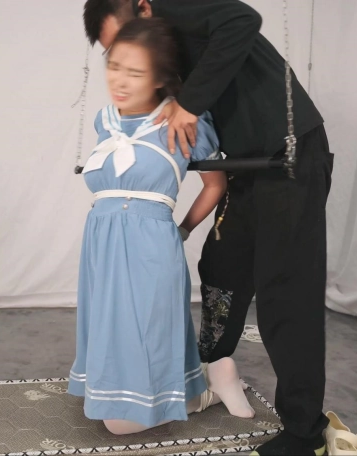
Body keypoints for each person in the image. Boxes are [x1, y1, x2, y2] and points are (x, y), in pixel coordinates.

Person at [82, 1, 335, 455]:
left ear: (143, 7)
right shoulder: (161, 59)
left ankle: (305, 431)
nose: (125, 56)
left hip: (287, 157)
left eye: (126, 38)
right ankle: (210, 369)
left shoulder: (179, 6)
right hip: (242, 166)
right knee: (221, 269)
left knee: (284, 293)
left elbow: (243, 20)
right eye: (112, 54)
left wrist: (188, 104)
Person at [67, 17, 256, 436]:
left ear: (158, 78)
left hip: (151, 249)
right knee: (107, 375)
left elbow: (215, 184)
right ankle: (209, 378)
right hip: (101, 250)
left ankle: (208, 389)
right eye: (115, 66)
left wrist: (181, 230)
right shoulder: (103, 120)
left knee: (120, 421)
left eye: (135, 72)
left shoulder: (183, 121)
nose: (120, 80)